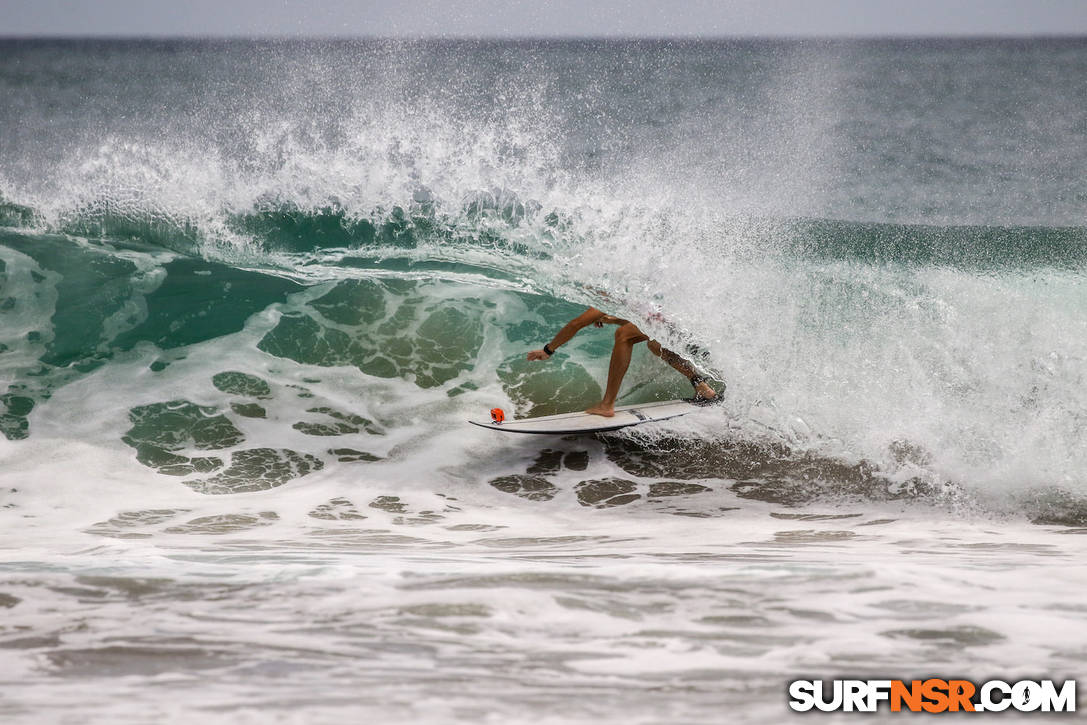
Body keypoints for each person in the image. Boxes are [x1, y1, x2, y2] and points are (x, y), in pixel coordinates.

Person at [526, 307, 718, 417]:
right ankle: (702, 387)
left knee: (624, 335)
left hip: (675, 320)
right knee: (653, 344)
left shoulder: (604, 288)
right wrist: (614, 319)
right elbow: (642, 316)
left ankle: (606, 405)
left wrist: (547, 350)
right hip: (684, 316)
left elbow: (576, 324)